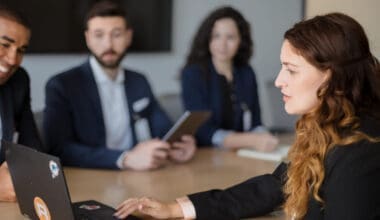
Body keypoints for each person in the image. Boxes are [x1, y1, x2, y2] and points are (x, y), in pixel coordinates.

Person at [114, 12, 380, 219]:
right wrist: (177, 209)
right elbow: (275, 185)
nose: (278, 81)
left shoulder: (360, 149)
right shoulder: (325, 128)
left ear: (331, 76)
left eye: (291, 69)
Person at [43, 1, 196, 170]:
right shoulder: (62, 85)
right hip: (91, 177)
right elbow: (59, 148)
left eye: (116, 34)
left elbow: (163, 128)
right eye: (99, 35)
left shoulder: (139, 81)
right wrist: (125, 158)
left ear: (128, 37)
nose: (108, 44)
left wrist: (176, 146)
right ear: (88, 38)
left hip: (140, 176)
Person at [180, 6, 278, 151]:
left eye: (230, 37)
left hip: (243, 154)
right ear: (207, 38)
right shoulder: (193, 74)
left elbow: (256, 122)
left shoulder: (247, 72)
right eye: (216, 36)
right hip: (205, 156)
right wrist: (250, 140)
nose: (222, 44)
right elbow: (203, 131)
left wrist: (264, 136)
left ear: (240, 41)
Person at [0, 5, 44, 202]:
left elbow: (32, 148)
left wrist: (22, 169)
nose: (12, 59)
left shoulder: (18, 80)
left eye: (21, 50)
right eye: (4, 44)